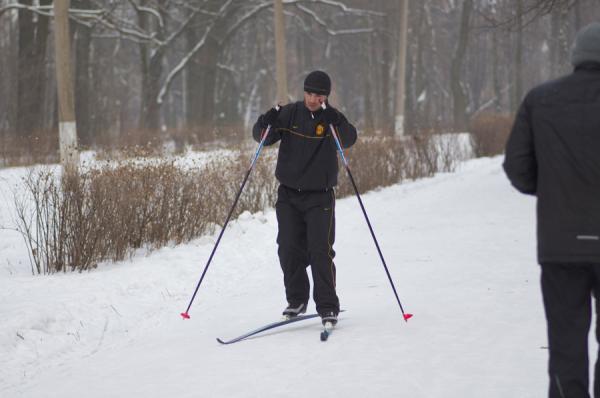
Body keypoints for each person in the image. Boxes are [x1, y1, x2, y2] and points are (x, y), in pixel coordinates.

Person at [503, 22, 600, 398]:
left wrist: (554, 191)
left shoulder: (540, 99)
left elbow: (517, 167)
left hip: (561, 244)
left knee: (565, 343)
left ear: (576, 57)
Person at [252, 70, 357, 326]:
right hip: (288, 195)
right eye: (309, 93)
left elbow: (349, 139)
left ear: (326, 97)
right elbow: (262, 138)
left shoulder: (331, 120)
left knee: (320, 250)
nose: (312, 99)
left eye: (318, 96)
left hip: (320, 197)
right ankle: (297, 300)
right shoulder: (290, 114)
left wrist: (338, 120)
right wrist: (266, 119)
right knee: (288, 247)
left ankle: (328, 306)